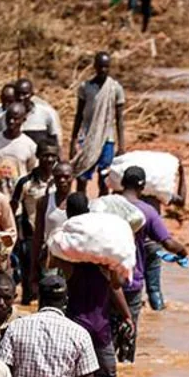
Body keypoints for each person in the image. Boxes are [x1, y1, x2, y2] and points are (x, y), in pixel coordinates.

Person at [60, 194, 132, 377]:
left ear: (67, 213)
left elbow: (50, 265)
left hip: (73, 324)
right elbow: (117, 285)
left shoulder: (68, 259)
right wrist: (127, 315)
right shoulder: (104, 263)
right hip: (100, 326)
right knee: (108, 376)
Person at [114, 167, 187, 362]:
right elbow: (168, 243)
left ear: (122, 184)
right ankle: (127, 366)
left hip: (105, 278)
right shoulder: (147, 211)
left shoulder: (108, 206)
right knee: (129, 327)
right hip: (131, 279)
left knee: (107, 330)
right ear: (143, 187)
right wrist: (182, 252)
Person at [70, 52, 127, 195]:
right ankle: (80, 208)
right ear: (95, 66)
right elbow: (79, 115)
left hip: (107, 138)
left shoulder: (115, 88)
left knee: (104, 177)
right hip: (87, 137)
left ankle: (101, 210)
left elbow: (119, 119)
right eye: (100, 67)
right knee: (82, 176)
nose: (103, 70)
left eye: (106, 67)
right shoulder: (85, 87)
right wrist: (73, 140)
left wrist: (121, 146)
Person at [12, 142, 61, 304]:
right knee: (29, 279)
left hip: (54, 238)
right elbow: (15, 209)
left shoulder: (60, 181)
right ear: (38, 156)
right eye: (45, 155)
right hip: (31, 237)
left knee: (53, 280)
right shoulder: (25, 182)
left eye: (53, 155)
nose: (49, 159)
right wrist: (19, 237)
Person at [0, 101, 39, 198]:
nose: (11, 122)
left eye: (16, 119)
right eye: (9, 118)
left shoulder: (29, 145)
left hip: (18, 201)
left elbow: (33, 171)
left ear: (24, 120)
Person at [30, 162, 74, 292]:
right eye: (58, 176)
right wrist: (33, 269)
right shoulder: (44, 202)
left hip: (71, 259)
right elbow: (38, 236)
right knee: (49, 294)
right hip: (50, 259)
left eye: (66, 177)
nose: (62, 180)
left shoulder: (79, 201)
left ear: (73, 177)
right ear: (53, 178)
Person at [14, 78, 64, 149]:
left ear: (32, 94)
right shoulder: (7, 116)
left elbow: (56, 140)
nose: (21, 97)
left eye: (25, 94)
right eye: (18, 94)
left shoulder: (47, 113)